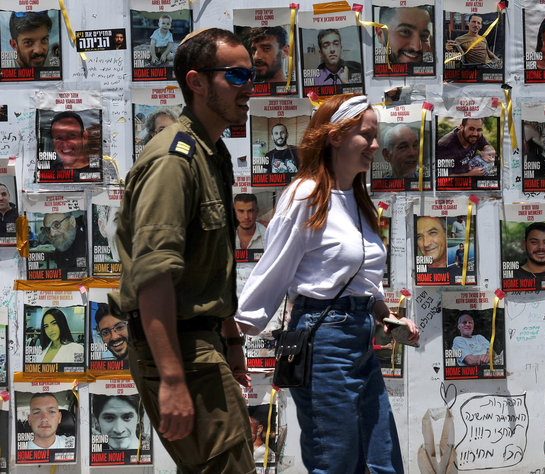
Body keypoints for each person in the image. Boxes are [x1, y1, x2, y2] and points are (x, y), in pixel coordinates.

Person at [236, 94, 420, 473]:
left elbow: (360, 279)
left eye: (375, 137)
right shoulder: (305, 196)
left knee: (382, 460)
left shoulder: (357, 196)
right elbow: (272, 273)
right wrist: (233, 340)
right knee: (335, 460)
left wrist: (386, 314)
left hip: (359, 337)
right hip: (323, 341)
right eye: (366, 136)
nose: (374, 145)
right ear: (334, 136)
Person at [109, 27, 256, 473]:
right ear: (196, 82)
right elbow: (154, 275)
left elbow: (209, 265)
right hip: (182, 351)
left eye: (250, 75)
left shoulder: (212, 153)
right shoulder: (174, 161)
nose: (248, 86)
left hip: (204, 344)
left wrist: (231, 340)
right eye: (235, 75)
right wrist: (172, 378)